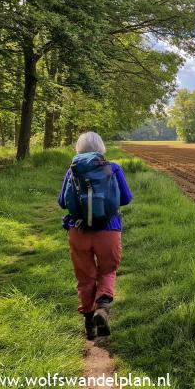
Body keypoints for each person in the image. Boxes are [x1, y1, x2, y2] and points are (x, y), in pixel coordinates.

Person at [58, 132, 132, 340]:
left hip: (78, 230)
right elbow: (125, 198)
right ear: (101, 147)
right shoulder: (113, 167)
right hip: (109, 230)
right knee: (108, 270)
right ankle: (102, 308)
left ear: (79, 147)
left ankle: (89, 322)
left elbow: (63, 202)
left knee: (85, 277)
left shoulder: (72, 169)